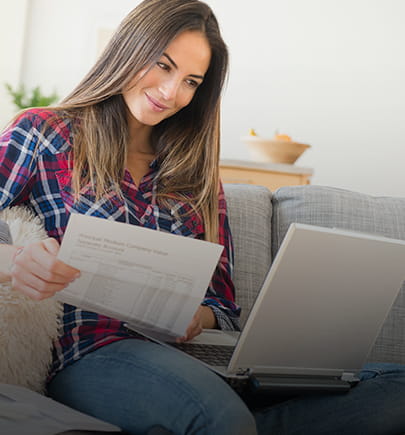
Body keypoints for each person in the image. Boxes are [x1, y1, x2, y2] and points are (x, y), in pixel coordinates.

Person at [0, 1, 405, 434]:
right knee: (219, 418)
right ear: (128, 50)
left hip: (195, 355)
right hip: (92, 352)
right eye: (163, 65)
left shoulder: (194, 175)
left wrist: (199, 318)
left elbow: (222, 305)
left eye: (191, 81)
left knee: (396, 387)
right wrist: (17, 261)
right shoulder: (45, 132)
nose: (172, 92)